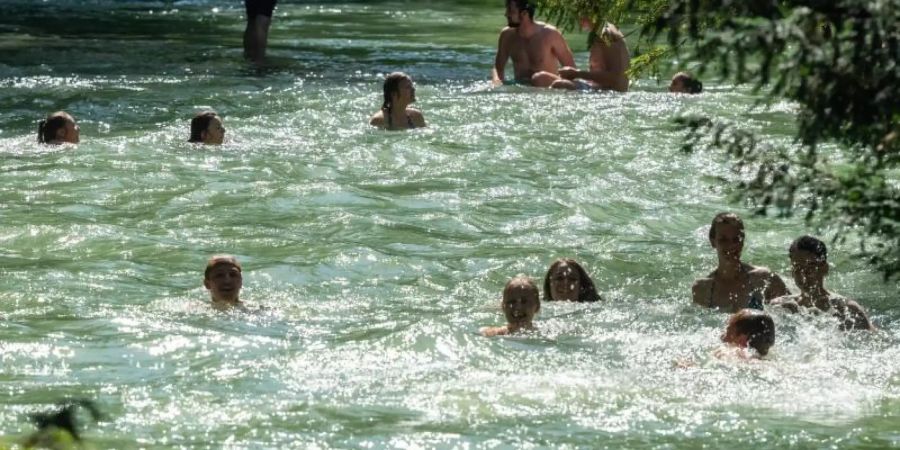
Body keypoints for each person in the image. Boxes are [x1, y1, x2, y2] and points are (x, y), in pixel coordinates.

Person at [770, 236, 874, 331]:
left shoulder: (848, 310)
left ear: (824, 268)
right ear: (792, 271)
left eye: (810, 267)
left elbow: (874, 341)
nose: (803, 275)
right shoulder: (779, 306)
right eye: (797, 268)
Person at [692, 212, 789, 312]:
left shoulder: (764, 278)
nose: (731, 245)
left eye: (736, 239)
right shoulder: (702, 289)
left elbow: (794, 313)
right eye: (723, 240)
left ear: (742, 241)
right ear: (713, 241)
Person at [491, 0, 575, 87]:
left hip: (547, 91)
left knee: (539, 77)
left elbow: (572, 70)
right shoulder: (507, 35)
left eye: (511, 11)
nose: (506, 14)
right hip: (521, 89)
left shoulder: (550, 34)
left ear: (524, 14)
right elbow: (498, 68)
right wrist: (496, 82)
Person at [551, 21, 630, 92]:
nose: (578, 19)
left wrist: (576, 73)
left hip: (608, 92)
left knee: (559, 84)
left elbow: (615, 79)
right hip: (598, 86)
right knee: (542, 77)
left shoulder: (606, 33)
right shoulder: (603, 30)